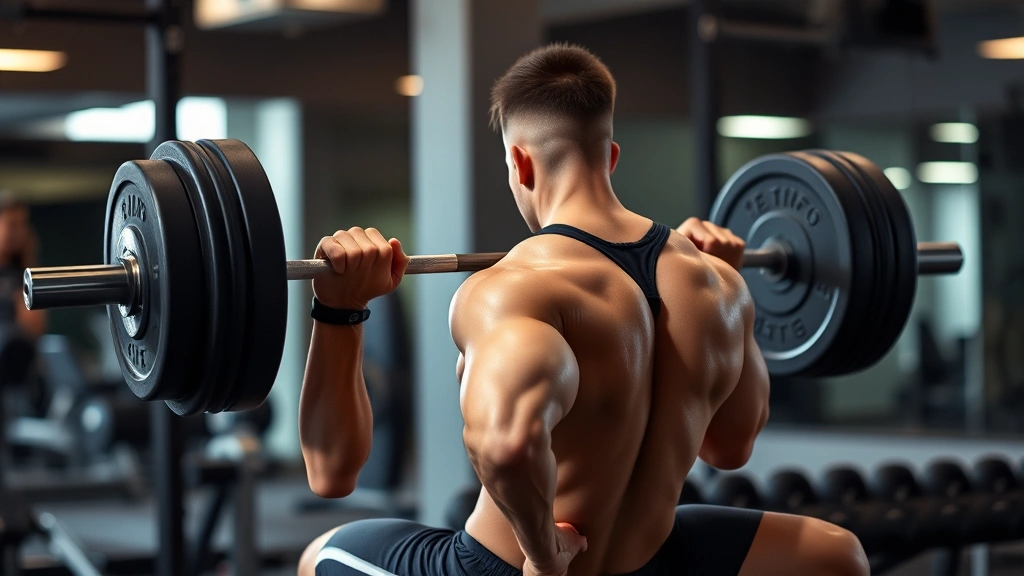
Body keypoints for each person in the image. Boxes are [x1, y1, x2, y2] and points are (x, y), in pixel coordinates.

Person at [298, 44, 869, 576]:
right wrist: (729, 279)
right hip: (649, 560)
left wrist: (339, 306)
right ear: (611, 156)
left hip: (519, 565)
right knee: (838, 555)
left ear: (520, 164)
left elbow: (349, 472)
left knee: (321, 553)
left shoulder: (512, 287)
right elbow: (729, 447)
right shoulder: (717, 284)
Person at [0, 194, 45, 339]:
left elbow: (35, 326)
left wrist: (29, 259)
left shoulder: (21, 273)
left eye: (23, 224)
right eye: (13, 224)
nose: (20, 232)